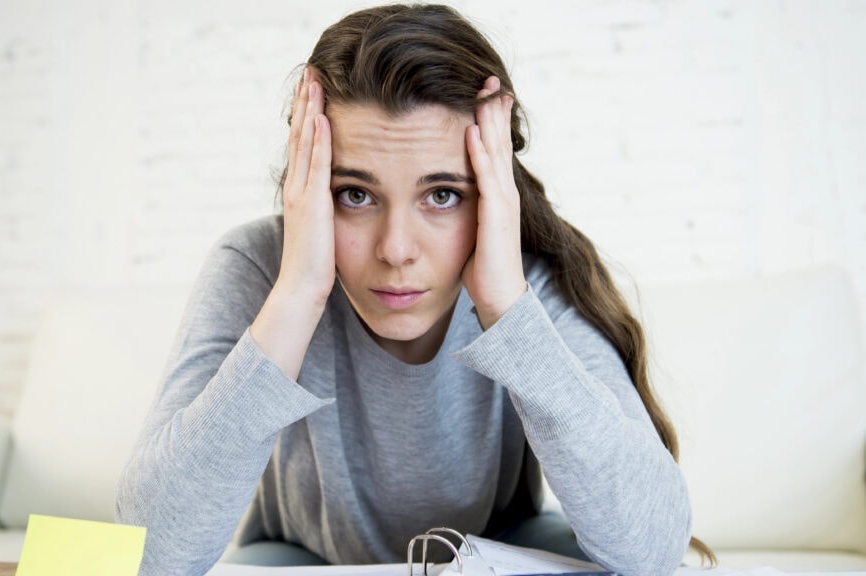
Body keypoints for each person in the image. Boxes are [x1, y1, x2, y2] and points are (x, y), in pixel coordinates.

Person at [117, 4, 713, 575]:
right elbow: (149, 556)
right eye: (355, 194)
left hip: (495, 547)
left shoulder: (533, 277)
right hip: (302, 557)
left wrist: (508, 307)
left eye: (442, 195)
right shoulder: (257, 266)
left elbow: (651, 549)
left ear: (494, 189)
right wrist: (297, 292)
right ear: (308, 186)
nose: (396, 249)